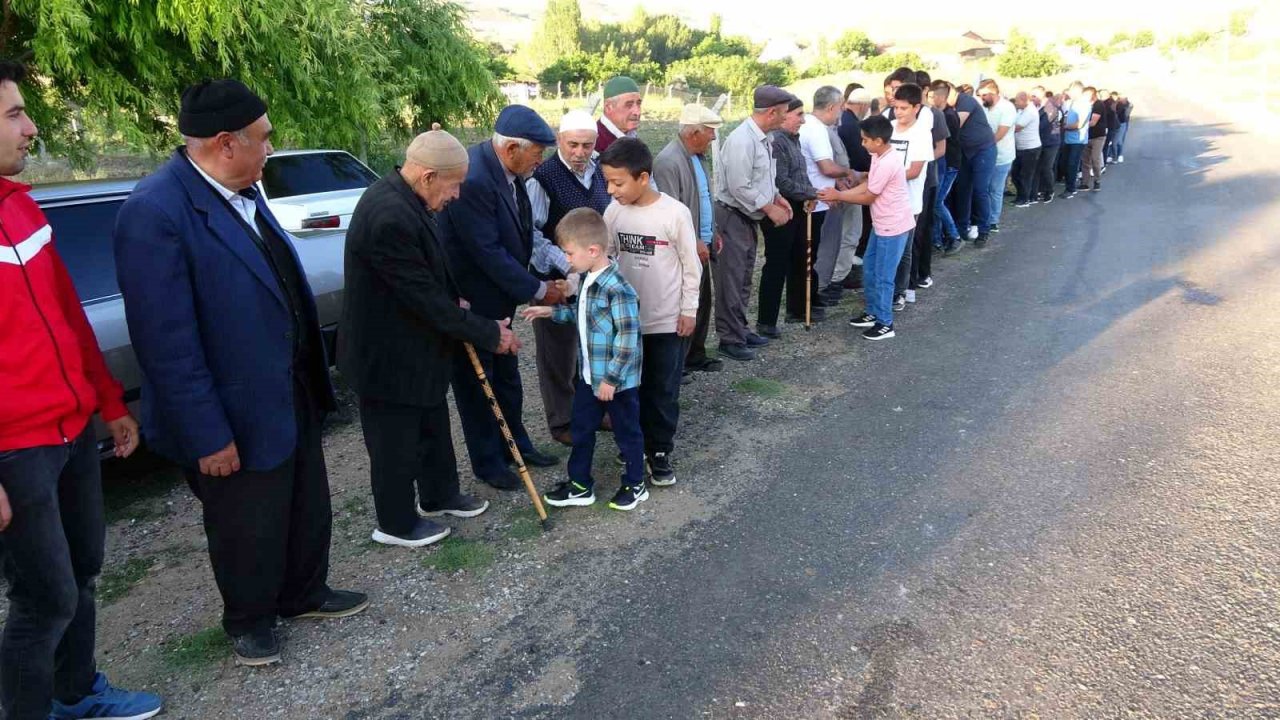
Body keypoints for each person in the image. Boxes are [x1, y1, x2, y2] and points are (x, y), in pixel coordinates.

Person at [114, 79, 368, 667]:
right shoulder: (155, 212)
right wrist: (206, 434)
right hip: (229, 407)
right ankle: (249, 620)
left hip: (287, 386)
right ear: (226, 143)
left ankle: (303, 593)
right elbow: (165, 343)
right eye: (264, 139)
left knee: (306, 501)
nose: (272, 150)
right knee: (244, 523)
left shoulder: (244, 190)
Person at [0, 60, 162, 720]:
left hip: (71, 433)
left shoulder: (21, 205)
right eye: (13, 114)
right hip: (17, 451)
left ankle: (76, 693)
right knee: (44, 600)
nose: (30, 126)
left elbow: (67, 315)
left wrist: (108, 403)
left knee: (85, 570)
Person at [341, 127, 518, 549]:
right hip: (385, 354)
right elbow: (421, 298)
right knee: (395, 443)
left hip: (417, 348)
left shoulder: (409, 199)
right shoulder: (389, 216)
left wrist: (454, 297)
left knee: (432, 424)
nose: (456, 195)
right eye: (454, 185)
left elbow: (426, 275)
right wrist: (490, 332)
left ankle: (439, 495)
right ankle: (396, 523)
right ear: (428, 177)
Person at [439, 105, 563, 492]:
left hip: (501, 299)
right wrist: (540, 289)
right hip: (473, 302)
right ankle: (489, 463)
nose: (540, 162)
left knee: (507, 380)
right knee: (480, 387)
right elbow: (487, 252)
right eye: (537, 153)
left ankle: (517, 447)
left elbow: (522, 231)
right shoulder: (475, 178)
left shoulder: (509, 169)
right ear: (512, 148)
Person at [523, 209, 645, 511]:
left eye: (568, 253)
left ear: (592, 251)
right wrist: (551, 312)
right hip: (590, 379)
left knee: (627, 431)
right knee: (581, 429)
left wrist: (611, 380)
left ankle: (635, 482)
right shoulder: (588, 279)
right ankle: (580, 485)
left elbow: (628, 340)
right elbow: (584, 318)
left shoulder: (618, 289)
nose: (566, 259)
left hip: (616, 382)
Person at [600, 138, 701, 488]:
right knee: (630, 389)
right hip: (626, 323)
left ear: (643, 178)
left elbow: (691, 265)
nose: (611, 190)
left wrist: (689, 309)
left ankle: (659, 450)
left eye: (618, 182)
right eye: (607, 182)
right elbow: (606, 257)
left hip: (666, 321)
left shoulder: (674, 213)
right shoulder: (613, 212)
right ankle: (632, 445)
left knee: (662, 389)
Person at [526, 110, 612, 446]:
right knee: (557, 354)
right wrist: (568, 268)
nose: (580, 152)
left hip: (594, 275)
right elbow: (532, 235)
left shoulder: (601, 168)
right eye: (572, 144)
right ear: (560, 141)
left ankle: (589, 412)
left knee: (591, 348)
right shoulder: (543, 177)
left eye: (586, 145)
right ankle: (562, 421)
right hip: (556, 281)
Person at [713, 85, 793, 362]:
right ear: (771, 112)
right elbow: (739, 186)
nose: (785, 118)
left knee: (744, 276)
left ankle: (740, 328)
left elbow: (762, 178)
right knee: (731, 280)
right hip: (732, 216)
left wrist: (777, 196)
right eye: (783, 113)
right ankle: (729, 338)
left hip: (746, 217)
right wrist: (769, 207)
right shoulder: (742, 141)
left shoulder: (763, 137)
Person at [818, 114, 914, 341]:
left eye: (865, 140)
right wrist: (854, 182)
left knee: (883, 275)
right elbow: (870, 184)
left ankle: (885, 323)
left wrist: (839, 195)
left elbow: (869, 195)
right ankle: (873, 312)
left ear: (878, 141)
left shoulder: (888, 161)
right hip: (882, 225)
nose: (862, 144)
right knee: (870, 268)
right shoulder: (880, 156)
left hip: (893, 227)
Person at [652, 103, 725, 374]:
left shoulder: (697, 156)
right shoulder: (669, 161)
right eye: (710, 132)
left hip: (702, 242)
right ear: (694, 133)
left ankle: (695, 354)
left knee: (702, 300)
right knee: (684, 302)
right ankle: (678, 363)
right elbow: (672, 211)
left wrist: (711, 231)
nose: (714, 137)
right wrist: (693, 240)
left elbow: (703, 198)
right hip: (687, 246)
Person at [758, 97, 817, 337]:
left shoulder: (794, 139)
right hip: (780, 206)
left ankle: (796, 309)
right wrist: (811, 193)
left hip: (798, 205)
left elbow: (801, 174)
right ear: (785, 115)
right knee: (777, 263)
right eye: (799, 115)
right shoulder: (776, 141)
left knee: (798, 257)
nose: (802, 120)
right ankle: (766, 321)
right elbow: (780, 180)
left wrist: (809, 194)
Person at [804, 86, 857, 306]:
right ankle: (816, 291)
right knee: (819, 250)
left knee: (816, 250)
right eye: (840, 109)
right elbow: (826, 167)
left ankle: (814, 291)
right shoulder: (816, 130)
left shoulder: (808, 124)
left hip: (817, 197)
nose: (840, 114)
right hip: (819, 201)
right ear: (832, 107)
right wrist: (848, 173)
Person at [887, 83, 933, 310]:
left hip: (909, 202)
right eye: (896, 108)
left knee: (904, 250)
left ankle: (900, 291)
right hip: (886, 200)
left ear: (917, 107)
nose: (899, 113)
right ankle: (884, 289)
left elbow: (914, 171)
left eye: (904, 108)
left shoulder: (922, 134)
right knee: (886, 247)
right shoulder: (890, 128)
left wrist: (885, 178)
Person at [948, 82, 996, 248]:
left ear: (952, 92)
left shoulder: (965, 100)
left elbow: (954, 125)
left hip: (983, 150)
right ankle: (962, 230)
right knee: (962, 190)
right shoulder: (949, 106)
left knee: (980, 190)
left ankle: (984, 231)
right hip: (965, 152)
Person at [836, 85, 873, 289]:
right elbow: (860, 157)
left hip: (846, 183)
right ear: (864, 105)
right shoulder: (853, 126)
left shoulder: (844, 121)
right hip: (852, 184)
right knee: (850, 233)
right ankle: (843, 275)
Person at [977, 79, 1016, 233]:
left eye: (984, 95)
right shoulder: (984, 107)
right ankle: (984, 217)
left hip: (1002, 156)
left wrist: (981, 146)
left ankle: (993, 220)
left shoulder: (1007, 108)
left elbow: (1000, 133)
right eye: (980, 96)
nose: (982, 98)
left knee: (995, 189)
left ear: (994, 93)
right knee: (983, 189)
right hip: (985, 155)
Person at [929, 80, 963, 251]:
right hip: (944, 164)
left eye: (931, 96)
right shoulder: (943, 114)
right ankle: (937, 239)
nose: (928, 100)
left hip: (949, 165)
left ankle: (954, 236)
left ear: (939, 97)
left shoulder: (947, 116)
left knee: (937, 202)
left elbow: (944, 144)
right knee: (936, 202)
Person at [1011, 91, 1042, 208]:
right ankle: (1021, 196)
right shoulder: (1021, 110)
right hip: (1021, 147)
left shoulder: (1030, 111)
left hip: (1030, 148)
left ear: (1024, 100)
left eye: (1017, 100)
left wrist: (1003, 128)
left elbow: (1017, 127)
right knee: (1016, 174)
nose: (1015, 103)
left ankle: (1024, 199)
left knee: (1025, 175)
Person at [595, 76, 643, 153]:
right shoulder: (595, 143)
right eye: (629, 105)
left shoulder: (631, 135)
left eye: (638, 104)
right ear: (608, 107)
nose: (637, 112)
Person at [1031, 86, 1061, 203]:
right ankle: (1039, 189)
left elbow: (1042, 125)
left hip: (1051, 142)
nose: (1032, 98)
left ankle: (1049, 190)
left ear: (1040, 95)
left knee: (1046, 167)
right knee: (1039, 167)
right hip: (1041, 141)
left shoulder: (1050, 107)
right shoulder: (1038, 107)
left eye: (1034, 96)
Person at [1060, 84, 1090, 199]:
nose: (1069, 93)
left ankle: (1071, 188)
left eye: (1072, 91)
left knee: (1072, 164)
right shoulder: (1073, 102)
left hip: (1078, 139)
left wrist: (1066, 127)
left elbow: (1080, 123)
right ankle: (1069, 184)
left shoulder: (1084, 104)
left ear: (1078, 91)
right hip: (1068, 138)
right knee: (1065, 163)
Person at [1081, 86, 1105, 191]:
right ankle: (1085, 183)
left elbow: (1093, 122)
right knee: (1085, 160)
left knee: (1095, 159)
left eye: (1087, 95)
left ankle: (1097, 180)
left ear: (1093, 94)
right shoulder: (1086, 105)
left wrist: (1080, 125)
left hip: (1098, 136)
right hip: (1087, 136)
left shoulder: (1098, 105)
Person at [1113, 94, 1132, 163]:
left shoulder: (1128, 105)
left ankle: (1120, 155)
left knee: (1119, 140)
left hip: (1122, 123)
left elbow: (1126, 114)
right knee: (1114, 140)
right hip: (1115, 123)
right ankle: (1113, 155)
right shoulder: (1115, 104)